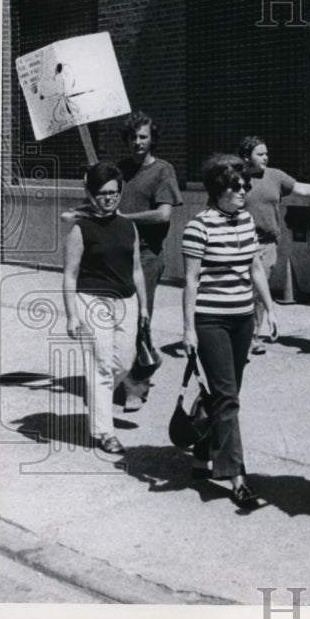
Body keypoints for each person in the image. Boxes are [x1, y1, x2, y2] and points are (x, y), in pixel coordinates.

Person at [182, 154, 277, 509]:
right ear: (219, 190)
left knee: (227, 394)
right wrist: (189, 329)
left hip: (242, 320)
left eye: (245, 185)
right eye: (237, 186)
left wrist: (270, 308)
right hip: (211, 321)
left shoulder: (246, 221)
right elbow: (191, 281)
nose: (243, 191)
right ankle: (237, 477)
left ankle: (202, 452)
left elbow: (254, 268)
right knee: (228, 397)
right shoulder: (198, 227)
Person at [62, 161, 148, 454]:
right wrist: (72, 315)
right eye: (102, 193)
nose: (109, 198)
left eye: (113, 192)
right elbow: (70, 274)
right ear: (91, 194)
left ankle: (98, 397)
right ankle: (104, 432)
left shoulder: (128, 225)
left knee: (125, 361)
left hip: (127, 300)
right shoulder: (80, 229)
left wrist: (144, 306)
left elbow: (137, 269)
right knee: (100, 364)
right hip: (92, 301)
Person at [238, 136, 310, 355]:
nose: (265, 157)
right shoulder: (236, 178)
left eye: (266, 153)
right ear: (246, 157)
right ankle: (241, 334)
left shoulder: (275, 176)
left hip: (267, 244)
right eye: (260, 154)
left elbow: (301, 188)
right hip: (241, 244)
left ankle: (253, 336)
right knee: (243, 291)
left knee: (260, 293)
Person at [116, 112, 183, 408]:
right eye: (132, 137)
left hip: (146, 255)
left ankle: (136, 388)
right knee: (117, 320)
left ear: (152, 137)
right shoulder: (119, 170)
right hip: (116, 254)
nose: (137, 142)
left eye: (143, 136)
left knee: (140, 319)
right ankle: (130, 370)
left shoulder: (163, 170)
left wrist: (124, 219)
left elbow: (163, 214)